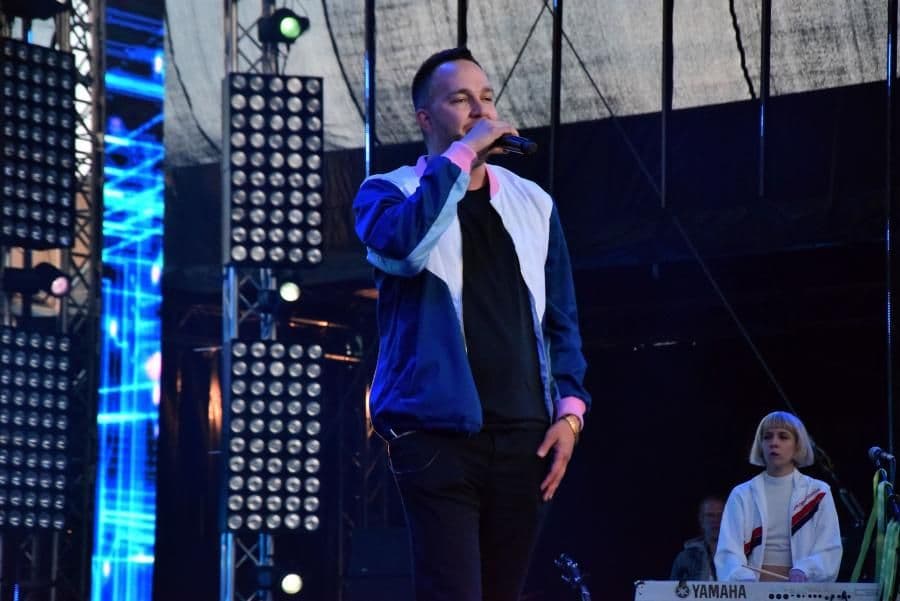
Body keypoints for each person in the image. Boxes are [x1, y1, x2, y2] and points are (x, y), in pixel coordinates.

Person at [352, 47, 591, 601]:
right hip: (435, 436)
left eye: (486, 97)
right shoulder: (388, 193)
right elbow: (405, 249)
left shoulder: (534, 202)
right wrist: (460, 156)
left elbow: (562, 318)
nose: (480, 111)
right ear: (426, 118)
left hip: (525, 438)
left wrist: (571, 416)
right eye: (461, 100)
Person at [715, 411, 842, 582]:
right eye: (767, 437)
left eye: (783, 437)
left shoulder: (818, 492)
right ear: (760, 445)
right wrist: (743, 579)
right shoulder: (742, 494)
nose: (774, 443)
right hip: (753, 590)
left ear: (798, 445)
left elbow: (829, 550)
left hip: (802, 590)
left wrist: (805, 570)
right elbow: (728, 552)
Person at [671, 495, 725, 581]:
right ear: (701, 520)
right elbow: (673, 588)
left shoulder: (739, 554)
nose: (716, 520)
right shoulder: (685, 558)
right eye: (710, 515)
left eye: (720, 515)